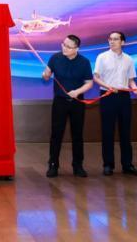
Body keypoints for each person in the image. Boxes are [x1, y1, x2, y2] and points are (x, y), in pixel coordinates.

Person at [42, 35, 94, 178]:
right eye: (63, 44)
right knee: (56, 134)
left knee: (77, 134)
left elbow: (89, 83)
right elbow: (47, 74)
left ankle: (78, 165)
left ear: (76, 49)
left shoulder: (84, 62)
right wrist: (45, 75)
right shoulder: (55, 58)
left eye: (68, 47)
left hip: (77, 102)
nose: (64, 48)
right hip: (60, 101)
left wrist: (77, 92)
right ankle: (53, 165)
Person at [93, 31, 137, 176]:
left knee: (125, 131)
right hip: (107, 95)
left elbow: (131, 80)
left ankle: (127, 165)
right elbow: (96, 77)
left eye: (115, 39)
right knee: (107, 131)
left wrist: (134, 87)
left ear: (123, 42)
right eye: (110, 39)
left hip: (124, 96)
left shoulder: (128, 59)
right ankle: (108, 165)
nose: (112, 41)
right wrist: (108, 86)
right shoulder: (102, 57)